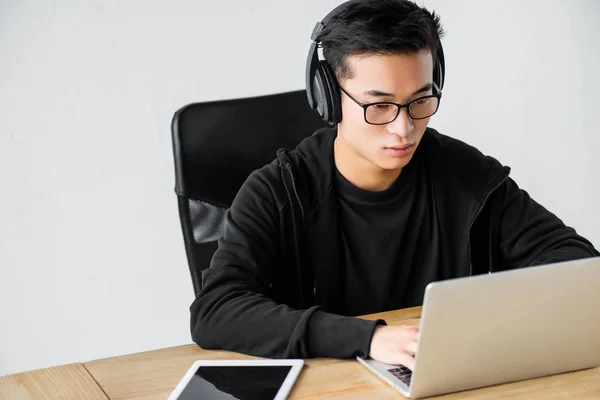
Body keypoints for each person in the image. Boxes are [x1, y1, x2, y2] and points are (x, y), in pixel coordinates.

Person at [189, 0, 599, 370]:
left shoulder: (463, 176)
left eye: (421, 100)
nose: (404, 128)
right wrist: (370, 338)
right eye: (380, 105)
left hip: (432, 376)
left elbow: (578, 264)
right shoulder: (278, 192)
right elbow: (216, 311)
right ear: (328, 98)